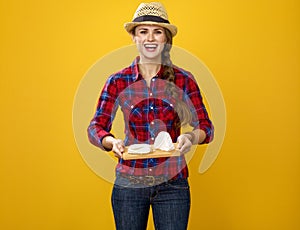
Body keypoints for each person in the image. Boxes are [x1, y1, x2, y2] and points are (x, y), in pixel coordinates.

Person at [87, 2, 214, 230]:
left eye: (157, 32)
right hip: (129, 184)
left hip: (172, 184)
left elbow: (206, 126)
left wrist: (191, 137)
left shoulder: (184, 79)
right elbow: (96, 126)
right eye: (143, 31)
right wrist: (111, 141)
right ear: (134, 38)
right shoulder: (118, 81)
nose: (150, 38)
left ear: (166, 39)